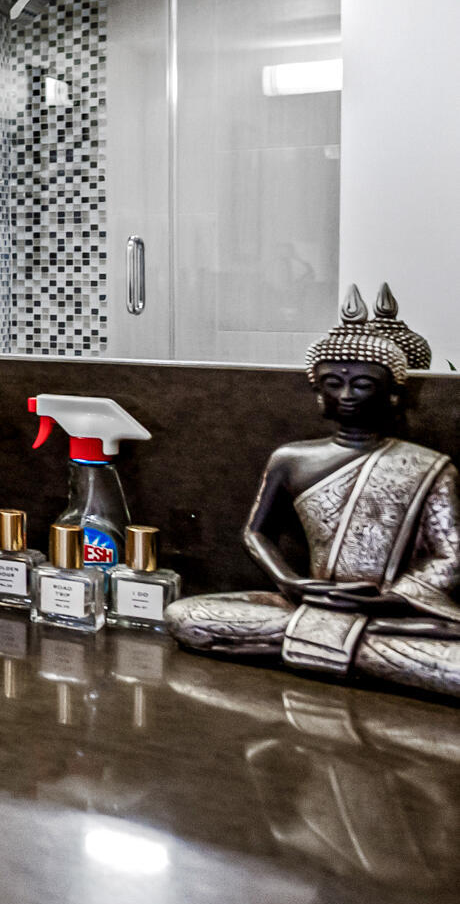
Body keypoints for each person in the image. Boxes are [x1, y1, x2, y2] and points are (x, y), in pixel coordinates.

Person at [170, 292, 460, 696]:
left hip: (390, 612)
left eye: (362, 384)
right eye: (333, 384)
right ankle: (347, 646)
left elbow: (449, 556)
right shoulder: (292, 458)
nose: (347, 395)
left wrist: (389, 601)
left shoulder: (429, 465)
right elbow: (257, 532)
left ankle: (323, 643)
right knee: (186, 615)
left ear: (393, 395)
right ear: (318, 395)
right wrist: (290, 582)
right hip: (310, 603)